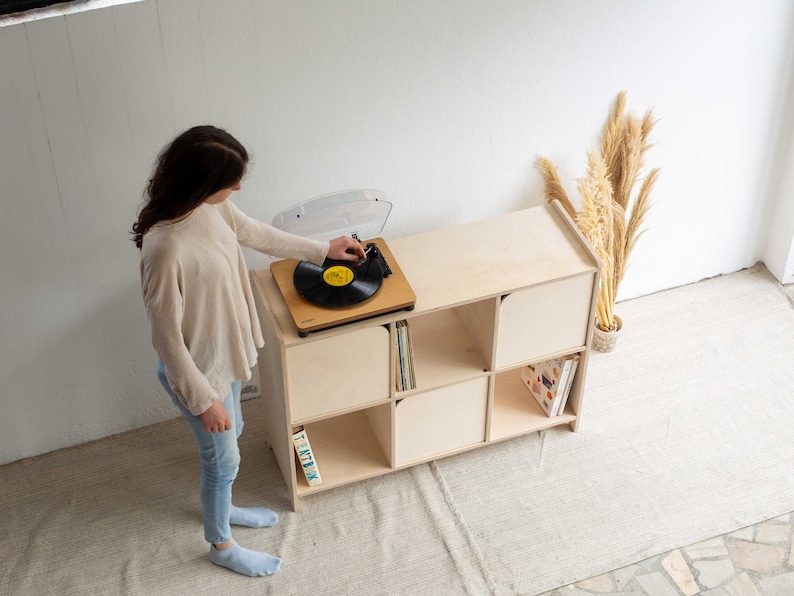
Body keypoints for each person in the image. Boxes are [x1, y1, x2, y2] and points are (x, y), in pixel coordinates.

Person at [132, 125, 365, 577]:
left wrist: (325, 250)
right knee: (223, 457)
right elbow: (166, 340)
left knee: (233, 434)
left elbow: (257, 233)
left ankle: (225, 505)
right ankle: (220, 544)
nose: (238, 187)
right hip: (198, 371)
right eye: (232, 180)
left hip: (226, 354)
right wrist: (203, 401)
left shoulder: (209, 207)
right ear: (202, 181)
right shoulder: (164, 249)